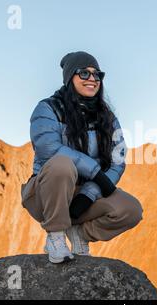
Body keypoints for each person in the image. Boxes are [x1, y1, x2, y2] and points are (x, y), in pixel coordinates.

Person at [20, 51, 143, 263]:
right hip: (48, 192)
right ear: (70, 78)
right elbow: (49, 149)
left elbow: (118, 158)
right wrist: (95, 173)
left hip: (83, 198)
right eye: (84, 73)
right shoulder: (48, 109)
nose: (92, 79)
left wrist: (89, 192)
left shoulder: (107, 117)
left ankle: (80, 233)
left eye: (97, 75)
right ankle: (56, 236)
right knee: (62, 164)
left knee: (131, 210)